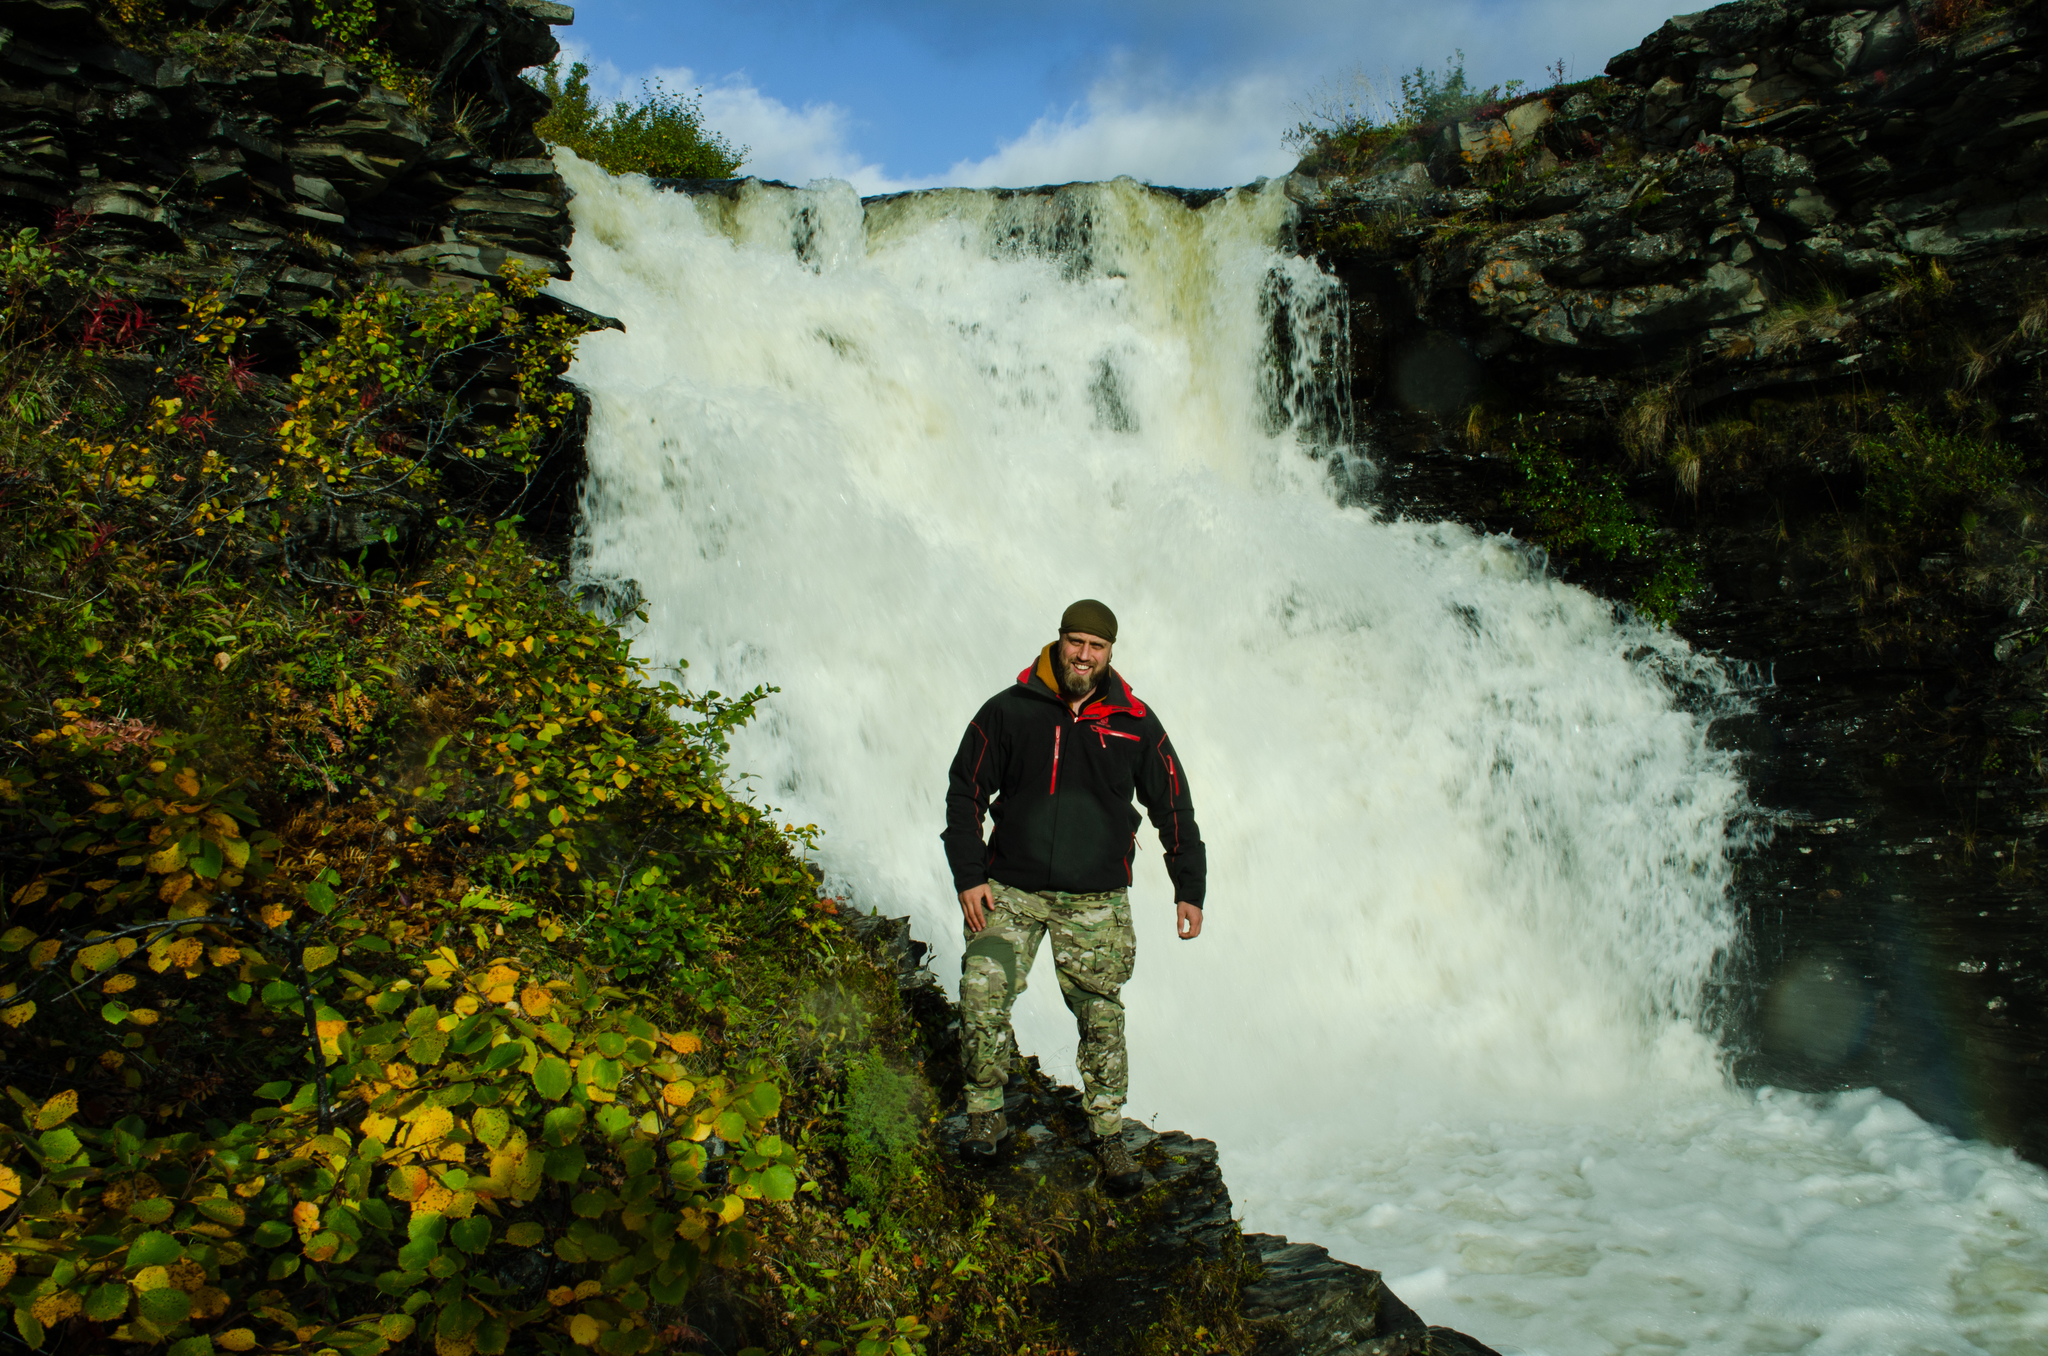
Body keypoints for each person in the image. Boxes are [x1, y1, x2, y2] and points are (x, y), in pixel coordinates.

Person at [942, 598, 1206, 1192]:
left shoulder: (1136, 721)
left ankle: (1108, 1133)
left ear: (1111, 652)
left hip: (1095, 901)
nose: (1084, 655)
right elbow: (965, 793)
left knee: (1100, 1014)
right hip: (1008, 891)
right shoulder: (1008, 712)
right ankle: (986, 1116)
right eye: (1075, 641)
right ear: (1059, 641)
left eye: (1097, 645)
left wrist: (1189, 887)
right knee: (983, 994)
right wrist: (969, 875)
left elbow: (1172, 805)